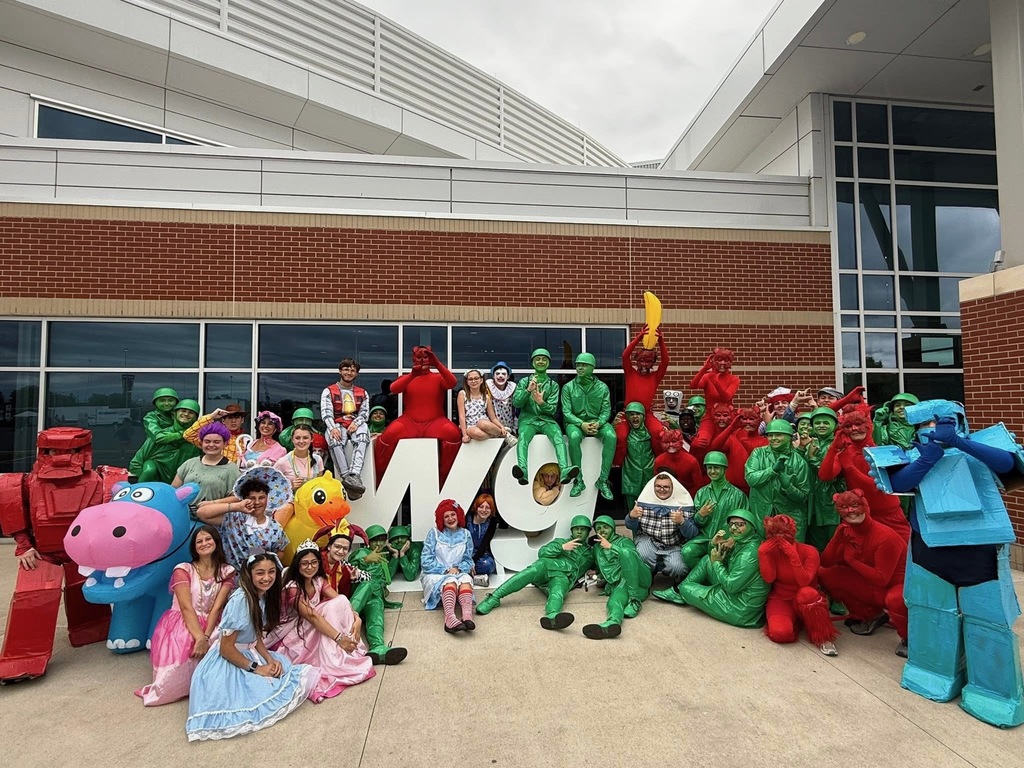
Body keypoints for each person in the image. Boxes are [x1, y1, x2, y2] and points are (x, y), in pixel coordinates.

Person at [185, 551, 316, 741]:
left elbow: (255, 637)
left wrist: (270, 659)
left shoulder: (261, 596)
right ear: (250, 574)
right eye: (260, 573)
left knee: (282, 670)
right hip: (229, 659)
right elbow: (226, 649)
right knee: (256, 695)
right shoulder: (241, 600)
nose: (267, 577)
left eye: (271, 572)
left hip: (248, 650)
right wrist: (257, 668)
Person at [135, 525, 236, 706]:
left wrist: (206, 636)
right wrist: (199, 637)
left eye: (208, 539)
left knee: (225, 649)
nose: (204, 543)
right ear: (194, 547)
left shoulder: (226, 571)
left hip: (212, 623)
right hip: (183, 621)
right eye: (199, 541)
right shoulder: (183, 569)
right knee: (172, 681)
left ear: (216, 541)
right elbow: (185, 606)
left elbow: (216, 608)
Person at [273, 541, 375, 702]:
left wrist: (357, 619)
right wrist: (339, 638)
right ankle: (336, 655)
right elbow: (311, 616)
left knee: (340, 601)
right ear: (297, 565)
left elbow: (341, 601)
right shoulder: (292, 587)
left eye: (314, 562)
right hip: (294, 631)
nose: (309, 567)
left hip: (313, 625)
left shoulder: (318, 580)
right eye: (304, 563)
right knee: (327, 610)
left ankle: (346, 649)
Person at [817, 490, 907, 654]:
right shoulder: (847, 530)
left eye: (854, 505)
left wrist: (853, 561)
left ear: (865, 506)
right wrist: (837, 538)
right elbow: (826, 562)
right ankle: (868, 615)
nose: (850, 511)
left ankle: (909, 638)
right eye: (844, 507)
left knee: (896, 599)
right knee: (826, 574)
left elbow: (882, 579)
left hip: (894, 586)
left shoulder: (885, 536)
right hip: (871, 585)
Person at [654, 508, 770, 629]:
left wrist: (717, 563)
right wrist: (714, 545)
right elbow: (714, 557)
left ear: (752, 526)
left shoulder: (748, 554)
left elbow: (731, 586)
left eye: (740, 525)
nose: (734, 528)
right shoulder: (744, 540)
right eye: (731, 524)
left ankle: (681, 592)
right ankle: (680, 592)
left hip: (740, 608)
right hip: (737, 592)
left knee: (686, 588)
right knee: (707, 560)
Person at [476, 516, 594, 630]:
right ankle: (494, 598)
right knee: (527, 573)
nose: (579, 532)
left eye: (583, 529)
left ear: (588, 531)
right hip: (546, 566)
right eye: (576, 529)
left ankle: (552, 616)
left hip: (562, 577)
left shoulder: (590, 555)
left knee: (558, 592)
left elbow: (604, 566)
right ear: (572, 530)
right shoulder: (561, 542)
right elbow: (542, 552)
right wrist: (562, 547)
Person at [818, 406, 911, 540]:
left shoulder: (882, 452)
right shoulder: (844, 454)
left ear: (868, 426)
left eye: (858, 424)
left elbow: (877, 487)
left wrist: (850, 468)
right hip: (860, 515)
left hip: (888, 513)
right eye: (849, 426)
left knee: (904, 550)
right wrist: (833, 448)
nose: (854, 429)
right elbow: (825, 476)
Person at [375, 346, 462, 485]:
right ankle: (381, 482)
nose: (423, 361)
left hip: (435, 421)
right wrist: (412, 375)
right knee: (387, 437)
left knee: (453, 434)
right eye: (419, 358)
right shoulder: (407, 377)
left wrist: (437, 364)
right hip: (409, 422)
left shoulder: (438, 377)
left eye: (426, 357)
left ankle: (445, 482)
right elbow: (394, 389)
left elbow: (452, 382)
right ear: (413, 359)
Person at [758, 515, 839, 656]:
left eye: (783, 534)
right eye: (774, 534)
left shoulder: (810, 552)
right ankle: (797, 622)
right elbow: (769, 578)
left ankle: (823, 637)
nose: (779, 539)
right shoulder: (771, 551)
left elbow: (804, 581)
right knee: (780, 633)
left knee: (807, 593)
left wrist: (793, 556)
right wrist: (763, 553)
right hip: (781, 599)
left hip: (806, 598)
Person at [197, 471, 289, 570]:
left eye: (262, 498)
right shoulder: (233, 518)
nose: (257, 502)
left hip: (260, 580)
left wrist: (266, 558)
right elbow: (201, 513)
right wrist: (237, 506)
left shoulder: (275, 527)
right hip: (232, 579)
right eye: (252, 498)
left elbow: (280, 551)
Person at [512, 348, 577, 486]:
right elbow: (516, 402)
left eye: (544, 359)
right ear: (532, 363)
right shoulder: (524, 382)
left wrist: (541, 402)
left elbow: (552, 410)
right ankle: (523, 470)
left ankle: (564, 469)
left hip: (546, 420)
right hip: (528, 420)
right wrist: (527, 391)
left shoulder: (553, 385)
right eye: (537, 359)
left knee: (558, 437)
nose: (541, 361)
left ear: (548, 363)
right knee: (523, 438)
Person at [346, 525, 408, 665]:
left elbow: (387, 577)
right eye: (375, 540)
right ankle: (343, 621)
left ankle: (378, 649)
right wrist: (365, 559)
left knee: (376, 619)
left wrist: (397, 555)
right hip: (358, 596)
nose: (379, 544)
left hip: (374, 598)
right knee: (366, 586)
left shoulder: (383, 556)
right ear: (368, 541)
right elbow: (348, 568)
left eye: (382, 540)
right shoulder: (361, 552)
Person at [584, 515, 653, 640]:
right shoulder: (596, 549)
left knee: (626, 553)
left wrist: (611, 546)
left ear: (613, 529)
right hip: (623, 583)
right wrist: (598, 576)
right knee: (614, 601)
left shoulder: (624, 541)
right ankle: (611, 624)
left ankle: (634, 601)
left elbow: (631, 560)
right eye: (599, 528)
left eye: (606, 527)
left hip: (641, 578)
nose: (602, 531)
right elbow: (605, 569)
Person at [744, 419, 810, 541]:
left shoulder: (799, 462)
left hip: (791, 517)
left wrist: (788, 487)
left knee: (791, 553)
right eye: (770, 435)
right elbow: (751, 479)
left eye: (779, 435)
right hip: (762, 513)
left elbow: (803, 497)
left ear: (790, 437)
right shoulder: (758, 453)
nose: (773, 438)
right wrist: (772, 470)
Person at [561, 352, 616, 499]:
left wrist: (599, 423)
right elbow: (566, 412)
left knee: (611, 436)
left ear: (592, 368)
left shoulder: (602, 387)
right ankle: (578, 480)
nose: (580, 368)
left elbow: (606, 410)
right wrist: (581, 424)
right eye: (578, 365)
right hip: (575, 422)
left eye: (584, 365)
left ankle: (603, 480)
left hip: (598, 422)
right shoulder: (568, 387)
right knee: (573, 437)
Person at [625, 473, 697, 582]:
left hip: (674, 544)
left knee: (678, 568)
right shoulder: (644, 502)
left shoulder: (684, 504)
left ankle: (675, 581)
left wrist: (682, 522)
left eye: (666, 487)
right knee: (642, 555)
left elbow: (693, 534)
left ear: (673, 488)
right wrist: (632, 516)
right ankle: (647, 575)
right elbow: (630, 526)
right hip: (649, 540)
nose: (662, 489)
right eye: (658, 486)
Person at [682, 451, 749, 569]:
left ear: (724, 469)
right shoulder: (701, 493)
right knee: (687, 552)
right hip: (705, 538)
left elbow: (745, 523)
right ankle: (708, 577)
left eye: (716, 468)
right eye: (709, 468)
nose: (712, 471)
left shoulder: (738, 495)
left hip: (727, 540)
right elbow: (695, 522)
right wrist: (701, 515)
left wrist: (733, 539)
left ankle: (715, 579)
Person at [420, 499, 476, 633]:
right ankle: (449, 619)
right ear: (441, 519)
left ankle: (467, 616)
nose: (450, 518)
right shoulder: (434, 533)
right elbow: (425, 560)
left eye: (453, 514)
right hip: (435, 573)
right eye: (446, 516)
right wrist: (445, 570)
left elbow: (468, 559)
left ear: (458, 515)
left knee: (466, 582)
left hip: (458, 572)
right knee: (450, 582)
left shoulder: (466, 534)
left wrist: (458, 569)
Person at [321, 357, 370, 500]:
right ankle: (346, 476)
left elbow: (364, 413)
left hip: (355, 422)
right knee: (334, 439)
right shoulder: (329, 391)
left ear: (356, 374)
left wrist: (357, 422)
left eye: (353, 370)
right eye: (346, 369)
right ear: (340, 371)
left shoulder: (362, 392)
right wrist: (332, 428)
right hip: (336, 422)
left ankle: (355, 474)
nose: (349, 372)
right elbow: (326, 412)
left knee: (362, 436)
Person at [616, 325, 670, 454]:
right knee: (621, 436)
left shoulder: (655, 377)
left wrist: (661, 341)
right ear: (637, 361)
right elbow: (624, 356)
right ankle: (619, 463)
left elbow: (665, 362)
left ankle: (657, 459)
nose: (644, 364)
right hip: (628, 413)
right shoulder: (631, 373)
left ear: (652, 363)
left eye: (648, 362)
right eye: (641, 361)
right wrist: (639, 337)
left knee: (659, 433)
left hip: (646, 414)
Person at [129, 398, 200, 483]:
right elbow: (136, 463)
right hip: (156, 485)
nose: (186, 414)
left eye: (191, 412)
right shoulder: (162, 435)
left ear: (196, 418)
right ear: (174, 414)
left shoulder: (198, 438)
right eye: (183, 411)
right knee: (149, 469)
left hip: (183, 482)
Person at [172, 422, 240, 505]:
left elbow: (237, 497)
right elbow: (173, 490)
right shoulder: (190, 463)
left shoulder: (231, 469)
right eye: (207, 441)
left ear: (225, 444)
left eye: (216, 442)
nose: (211, 445)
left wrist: (213, 503)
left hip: (212, 515)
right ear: (201, 443)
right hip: (183, 514)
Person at [183, 404, 248, 463]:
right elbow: (188, 435)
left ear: (242, 420)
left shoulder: (247, 440)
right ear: (223, 421)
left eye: (237, 417)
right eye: (230, 417)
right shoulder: (213, 437)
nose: (233, 421)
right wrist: (211, 416)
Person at [620, 402, 655, 510]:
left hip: (649, 471)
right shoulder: (625, 434)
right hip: (631, 474)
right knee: (633, 510)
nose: (635, 417)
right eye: (632, 414)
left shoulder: (651, 433)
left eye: (638, 414)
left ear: (643, 417)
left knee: (650, 506)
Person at [457, 369, 507, 442]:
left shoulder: (486, 397)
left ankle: (504, 433)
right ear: (467, 382)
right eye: (470, 379)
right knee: (477, 433)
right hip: (471, 425)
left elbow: (493, 418)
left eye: (476, 378)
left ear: (481, 380)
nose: (473, 381)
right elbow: (462, 416)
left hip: (484, 423)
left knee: (482, 423)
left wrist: (501, 426)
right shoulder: (462, 394)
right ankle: (497, 435)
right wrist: (464, 434)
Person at [653, 429, 704, 497]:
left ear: (681, 442)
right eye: (667, 442)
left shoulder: (691, 461)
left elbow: (699, 485)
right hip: (666, 497)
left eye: (674, 441)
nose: (671, 445)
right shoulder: (659, 461)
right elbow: (656, 483)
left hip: (688, 497)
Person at [273, 425, 324, 490]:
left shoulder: (318, 459)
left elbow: (321, 485)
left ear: (311, 439)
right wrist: (290, 487)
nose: (301, 441)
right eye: (297, 438)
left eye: (305, 438)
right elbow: (272, 486)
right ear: (292, 440)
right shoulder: (283, 462)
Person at [467, 493, 498, 586]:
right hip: (466, 553)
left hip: (481, 554)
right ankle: (473, 578)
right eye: (481, 507)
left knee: (488, 565)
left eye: (487, 507)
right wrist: (468, 561)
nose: (484, 510)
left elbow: (484, 544)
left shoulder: (492, 522)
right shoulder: (467, 519)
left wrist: (473, 561)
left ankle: (468, 575)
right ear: (476, 507)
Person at [486, 361, 517, 433]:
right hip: (494, 424)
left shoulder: (512, 388)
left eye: (503, 374)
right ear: (493, 376)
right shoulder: (488, 388)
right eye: (497, 374)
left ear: (508, 376)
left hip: (509, 423)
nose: (500, 376)